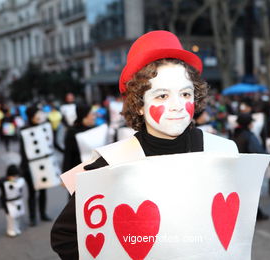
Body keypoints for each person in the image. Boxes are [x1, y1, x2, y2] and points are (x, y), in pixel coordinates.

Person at [51, 30, 238, 259]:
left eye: (185, 94)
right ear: (139, 104)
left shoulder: (222, 153)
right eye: (162, 96)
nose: (178, 105)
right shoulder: (110, 164)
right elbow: (65, 236)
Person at [19, 105, 53, 226]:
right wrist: (24, 168)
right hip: (29, 166)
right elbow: (23, 150)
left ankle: (43, 213)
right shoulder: (24, 130)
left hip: (43, 163)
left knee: (43, 189)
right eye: (37, 114)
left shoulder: (44, 127)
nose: (40, 116)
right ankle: (33, 217)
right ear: (31, 116)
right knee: (32, 192)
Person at [232, 113, 269, 221]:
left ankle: (256, 213)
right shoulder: (249, 135)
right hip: (248, 168)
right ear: (248, 124)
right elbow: (258, 151)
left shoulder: (234, 134)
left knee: (243, 193)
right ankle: (256, 214)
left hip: (237, 167)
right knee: (251, 193)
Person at [62, 105, 96, 172]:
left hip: (94, 170)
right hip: (79, 171)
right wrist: (65, 176)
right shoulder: (73, 132)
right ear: (85, 115)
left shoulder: (95, 129)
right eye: (92, 114)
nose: (94, 117)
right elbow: (68, 156)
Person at [0, 165, 25, 237]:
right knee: (11, 217)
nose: (15, 177)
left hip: (18, 200)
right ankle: (11, 230)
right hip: (8, 202)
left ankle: (16, 228)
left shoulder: (19, 180)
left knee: (17, 215)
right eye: (14, 175)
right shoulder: (4, 181)